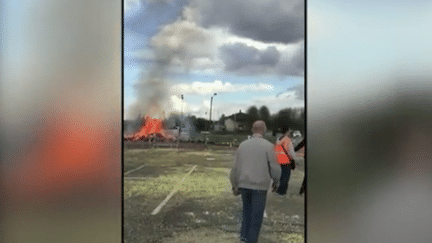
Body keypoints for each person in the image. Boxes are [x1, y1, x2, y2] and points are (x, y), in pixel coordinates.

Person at [230, 120, 281, 243]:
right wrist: (276, 181)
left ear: (252, 130)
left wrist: (235, 185)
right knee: (256, 220)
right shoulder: (269, 146)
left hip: (244, 185)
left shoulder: (242, 145)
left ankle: (243, 239)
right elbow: (275, 168)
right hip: (260, 187)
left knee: (246, 216)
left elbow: (235, 168)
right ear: (264, 130)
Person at [274, 127, 296, 196]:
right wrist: (294, 159)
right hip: (286, 162)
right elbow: (292, 153)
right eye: (289, 131)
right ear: (287, 132)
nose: (289, 132)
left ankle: (278, 191)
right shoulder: (288, 140)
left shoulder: (279, 139)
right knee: (285, 178)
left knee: (281, 177)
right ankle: (282, 193)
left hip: (279, 161)